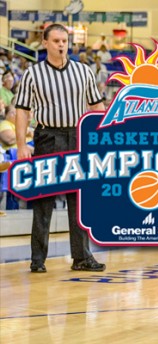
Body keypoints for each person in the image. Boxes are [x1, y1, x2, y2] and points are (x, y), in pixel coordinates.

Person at [14, 23, 106, 273]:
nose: (61, 45)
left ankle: (82, 257)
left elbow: (97, 107)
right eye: (56, 41)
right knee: (43, 201)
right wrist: (22, 144)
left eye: (64, 41)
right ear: (45, 43)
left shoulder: (83, 71)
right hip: (48, 137)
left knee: (79, 201)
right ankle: (38, 259)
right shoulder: (33, 74)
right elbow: (22, 110)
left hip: (77, 136)